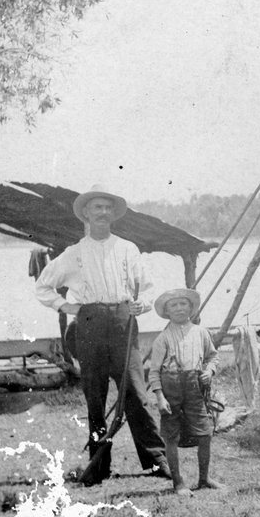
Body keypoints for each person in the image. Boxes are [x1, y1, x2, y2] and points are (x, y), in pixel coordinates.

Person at [34, 185, 170, 483]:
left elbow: (147, 287)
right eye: (97, 208)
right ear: (86, 214)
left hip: (123, 321)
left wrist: (141, 303)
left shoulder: (127, 248)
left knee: (135, 390)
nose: (103, 213)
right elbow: (43, 286)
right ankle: (98, 465)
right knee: (95, 395)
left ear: (113, 214)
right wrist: (66, 305)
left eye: (108, 208)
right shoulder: (73, 254)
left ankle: (156, 460)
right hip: (90, 322)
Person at [147, 288, 221, 496]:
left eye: (183, 304)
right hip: (170, 389)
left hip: (194, 387)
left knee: (205, 433)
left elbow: (213, 357)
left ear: (191, 308)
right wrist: (160, 397)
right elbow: (153, 373)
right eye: (174, 305)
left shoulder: (201, 332)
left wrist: (209, 371)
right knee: (171, 436)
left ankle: (204, 478)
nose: (179, 309)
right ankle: (178, 482)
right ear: (167, 311)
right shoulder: (162, 338)